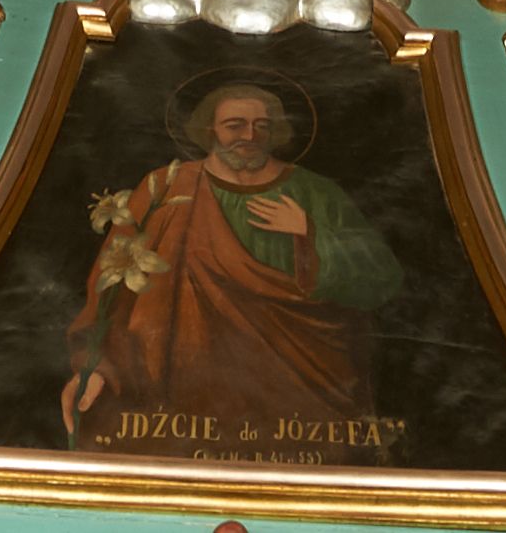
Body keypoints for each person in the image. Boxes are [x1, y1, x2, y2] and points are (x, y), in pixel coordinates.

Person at [61, 77, 403, 465]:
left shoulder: (315, 193)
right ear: (210, 129)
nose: (249, 136)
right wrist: (94, 367)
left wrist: (309, 232)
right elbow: (112, 286)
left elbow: (382, 278)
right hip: (179, 388)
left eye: (262, 125)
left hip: (303, 388)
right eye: (235, 125)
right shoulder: (166, 188)